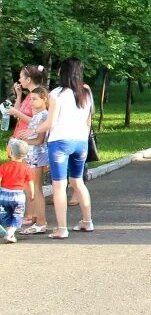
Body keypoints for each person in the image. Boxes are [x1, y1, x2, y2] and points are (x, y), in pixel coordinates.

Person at [40, 58, 95, 239]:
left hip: (60, 142)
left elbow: (51, 122)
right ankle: (87, 221)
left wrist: (33, 129)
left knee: (59, 185)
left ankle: (61, 228)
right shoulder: (86, 91)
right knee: (77, 181)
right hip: (81, 141)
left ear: (63, 72)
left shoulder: (56, 93)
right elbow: (88, 120)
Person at [19, 87, 51, 234]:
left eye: (34, 99)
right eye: (30, 99)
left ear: (44, 99)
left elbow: (39, 140)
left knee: (37, 189)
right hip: (31, 155)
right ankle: (37, 219)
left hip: (37, 155)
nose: (31, 102)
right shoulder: (38, 115)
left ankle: (41, 221)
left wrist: (23, 143)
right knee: (32, 189)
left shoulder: (44, 115)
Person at [0, 139, 35, 243]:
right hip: (18, 196)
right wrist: (32, 194)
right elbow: (30, 183)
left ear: (10, 153)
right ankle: (10, 234)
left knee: (6, 215)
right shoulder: (27, 168)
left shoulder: (4, 166)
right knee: (18, 215)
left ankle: (9, 234)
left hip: (4, 195)